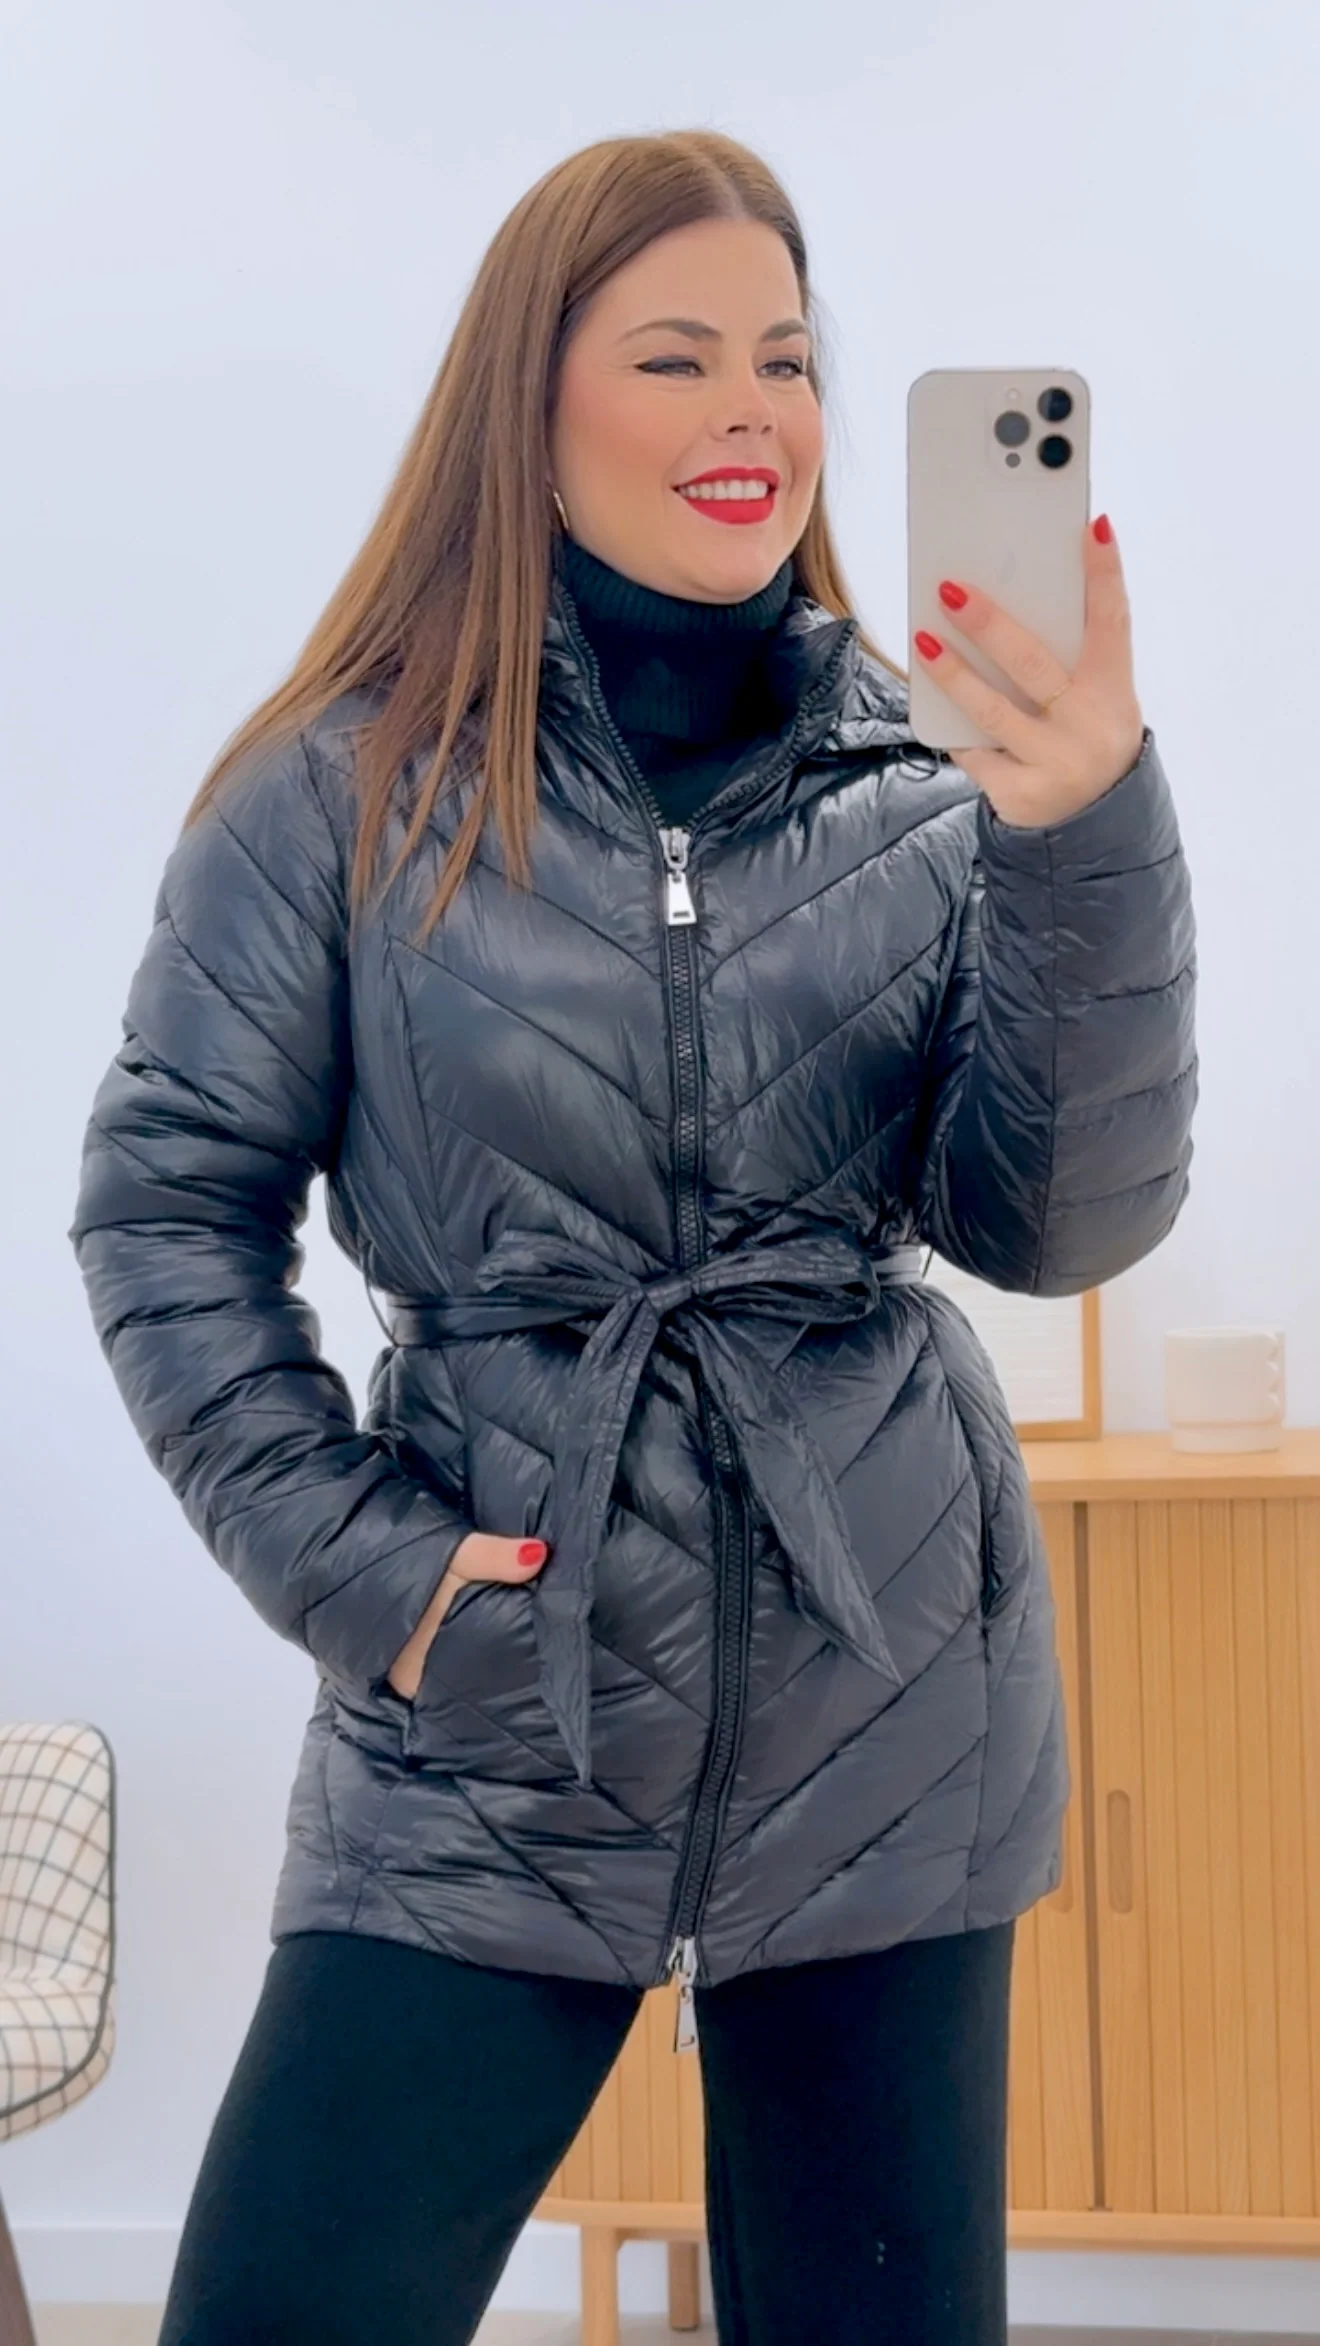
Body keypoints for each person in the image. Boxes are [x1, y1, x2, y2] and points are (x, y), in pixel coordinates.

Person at [68, 127, 1196, 2346]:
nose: (748, 410)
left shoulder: (933, 779)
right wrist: (380, 1582)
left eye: (785, 357)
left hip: (887, 1702)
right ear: (531, 403)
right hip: (502, 1702)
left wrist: (1086, 833)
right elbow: (166, 1209)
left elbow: (1061, 1225)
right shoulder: (340, 790)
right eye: (675, 357)